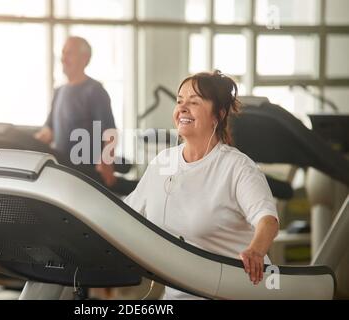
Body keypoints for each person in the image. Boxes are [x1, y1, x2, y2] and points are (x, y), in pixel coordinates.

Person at [124, 70, 279, 300]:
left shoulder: (236, 167)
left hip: (236, 293)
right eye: (179, 101)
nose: (183, 108)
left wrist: (255, 251)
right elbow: (126, 215)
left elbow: (268, 220)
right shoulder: (162, 164)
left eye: (194, 102)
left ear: (218, 114)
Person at [34, 36, 117, 187]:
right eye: (63, 53)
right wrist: (27, 145)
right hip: (61, 172)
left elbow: (110, 133)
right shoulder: (59, 92)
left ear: (85, 58)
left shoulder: (95, 91)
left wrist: (106, 162)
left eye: (69, 53)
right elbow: (49, 132)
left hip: (86, 175)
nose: (63, 58)